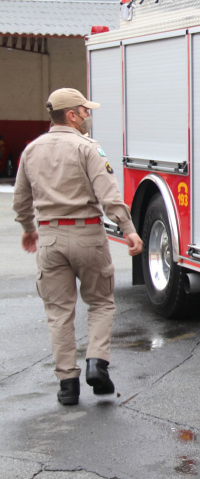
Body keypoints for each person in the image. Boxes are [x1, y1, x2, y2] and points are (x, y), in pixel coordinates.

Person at [13, 88, 144, 406]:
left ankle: (67, 385)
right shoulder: (88, 148)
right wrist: (128, 230)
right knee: (100, 303)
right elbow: (108, 194)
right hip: (87, 234)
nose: (88, 116)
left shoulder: (31, 150)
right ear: (71, 115)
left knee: (59, 313)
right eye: (85, 111)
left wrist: (29, 229)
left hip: (50, 237)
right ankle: (97, 364)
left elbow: (21, 199)